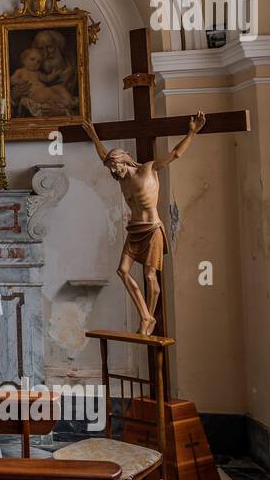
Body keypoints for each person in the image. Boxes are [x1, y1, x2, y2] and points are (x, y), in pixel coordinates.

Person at [81, 111, 207, 335]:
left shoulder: (148, 169)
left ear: (123, 160)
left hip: (152, 229)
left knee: (150, 276)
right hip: (134, 230)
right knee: (122, 271)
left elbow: (175, 154)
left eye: (114, 166)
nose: (111, 170)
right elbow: (103, 155)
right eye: (110, 167)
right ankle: (147, 316)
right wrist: (93, 136)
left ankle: (148, 319)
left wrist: (192, 132)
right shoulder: (121, 179)